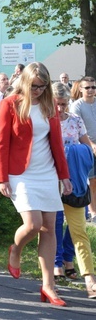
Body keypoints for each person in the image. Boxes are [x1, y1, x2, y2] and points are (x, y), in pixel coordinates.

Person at [0, 62, 71, 307]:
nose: (38, 90)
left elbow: (57, 143)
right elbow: (1, 143)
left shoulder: (49, 105)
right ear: (25, 82)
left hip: (46, 171)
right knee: (33, 224)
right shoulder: (10, 104)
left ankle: (49, 286)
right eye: (34, 85)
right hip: (21, 173)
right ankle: (15, 249)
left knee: (50, 227)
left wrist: (64, 175)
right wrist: (1, 177)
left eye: (43, 86)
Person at [52, 82, 96, 298]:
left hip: (76, 183)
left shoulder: (76, 121)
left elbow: (88, 147)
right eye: (57, 104)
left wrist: (76, 153)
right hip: (51, 183)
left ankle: (89, 276)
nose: (61, 109)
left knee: (79, 230)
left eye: (64, 104)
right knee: (53, 227)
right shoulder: (46, 121)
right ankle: (56, 265)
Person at [68, 76, 96, 223]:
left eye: (93, 87)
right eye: (87, 87)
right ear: (80, 89)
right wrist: (91, 145)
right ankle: (93, 212)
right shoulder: (77, 106)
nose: (91, 90)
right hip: (86, 147)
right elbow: (78, 131)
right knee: (91, 179)